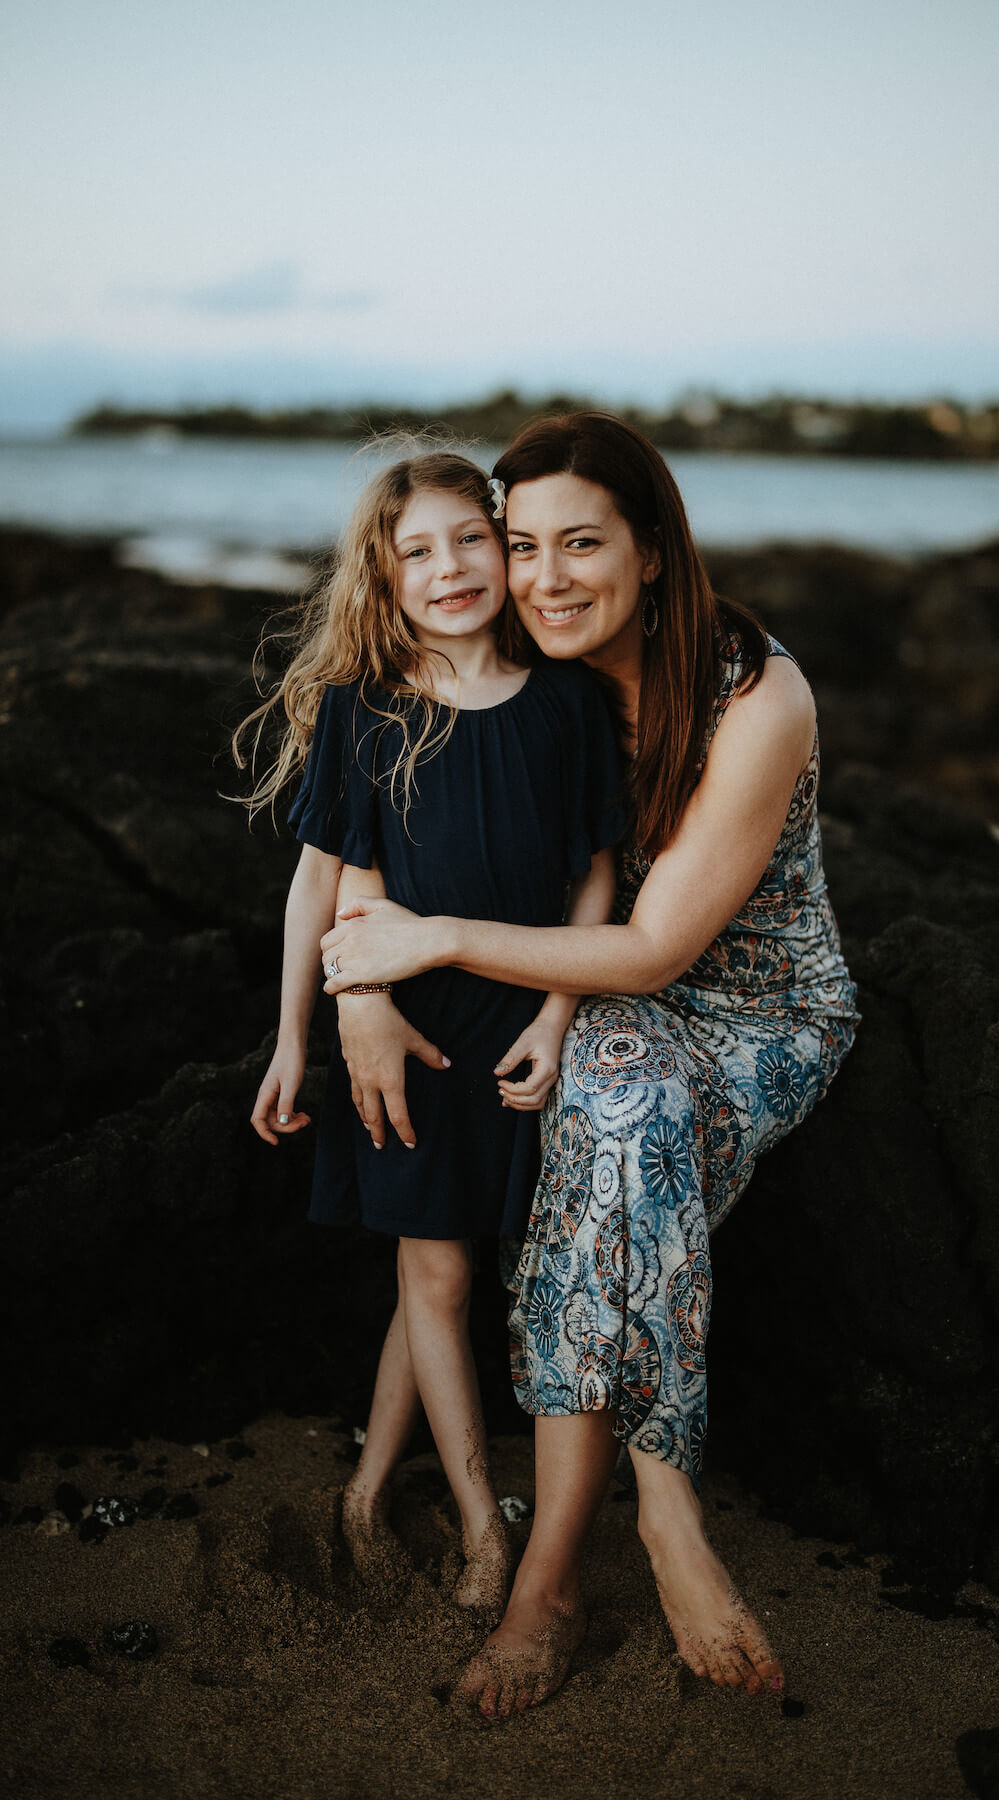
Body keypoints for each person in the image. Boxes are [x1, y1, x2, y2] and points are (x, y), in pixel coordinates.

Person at [321, 414, 859, 1714]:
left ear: (655, 551)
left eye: (582, 543)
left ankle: (613, 1541)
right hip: (577, 987)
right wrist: (354, 987)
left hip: (750, 1006)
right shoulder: (507, 661)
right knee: (614, 1124)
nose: (546, 575)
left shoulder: (752, 689)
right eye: (522, 545)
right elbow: (356, 825)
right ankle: (592, 1551)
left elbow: (660, 945)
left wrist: (427, 940)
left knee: (619, 1120)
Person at [240, 451, 622, 1616]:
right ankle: (477, 1525)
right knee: (441, 1269)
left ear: (505, 554)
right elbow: (332, 887)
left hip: (516, 1025)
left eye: (473, 541)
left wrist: (559, 1018)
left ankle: (365, 1486)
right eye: (418, 551)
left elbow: (596, 872)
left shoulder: (567, 703)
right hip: (406, 1032)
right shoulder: (369, 708)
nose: (450, 569)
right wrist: (299, 1032)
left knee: (444, 1267)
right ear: (384, 573)